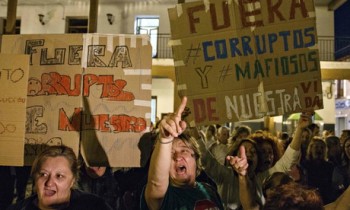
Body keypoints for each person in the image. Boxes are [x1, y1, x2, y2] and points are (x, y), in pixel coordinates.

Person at [200, 111, 312, 209]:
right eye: (243, 152)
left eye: (253, 152)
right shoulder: (225, 176)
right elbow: (206, 159)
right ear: (234, 155)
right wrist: (193, 130)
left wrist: (300, 129)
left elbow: (288, 160)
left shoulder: (263, 178)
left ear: (258, 159)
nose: (247, 155)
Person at [141, 96, 224, 210]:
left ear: (195, 157)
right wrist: (165, 139)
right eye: (170, 154)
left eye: (184, 150)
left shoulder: (209, 190)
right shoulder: (165, 197)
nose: (177, 157)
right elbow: (156, 184)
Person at [7, 145, 113, 210]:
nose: (49, 183)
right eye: (43, 174)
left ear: (72, 180)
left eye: (59, 176)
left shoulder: (96, 207)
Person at [302, 137, 335, 204]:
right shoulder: (305, 165)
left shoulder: (330, 166)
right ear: (311, 149)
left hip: (325, 199)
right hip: (309, 199)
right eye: (316, 147)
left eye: (322, 148)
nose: (319, 150)